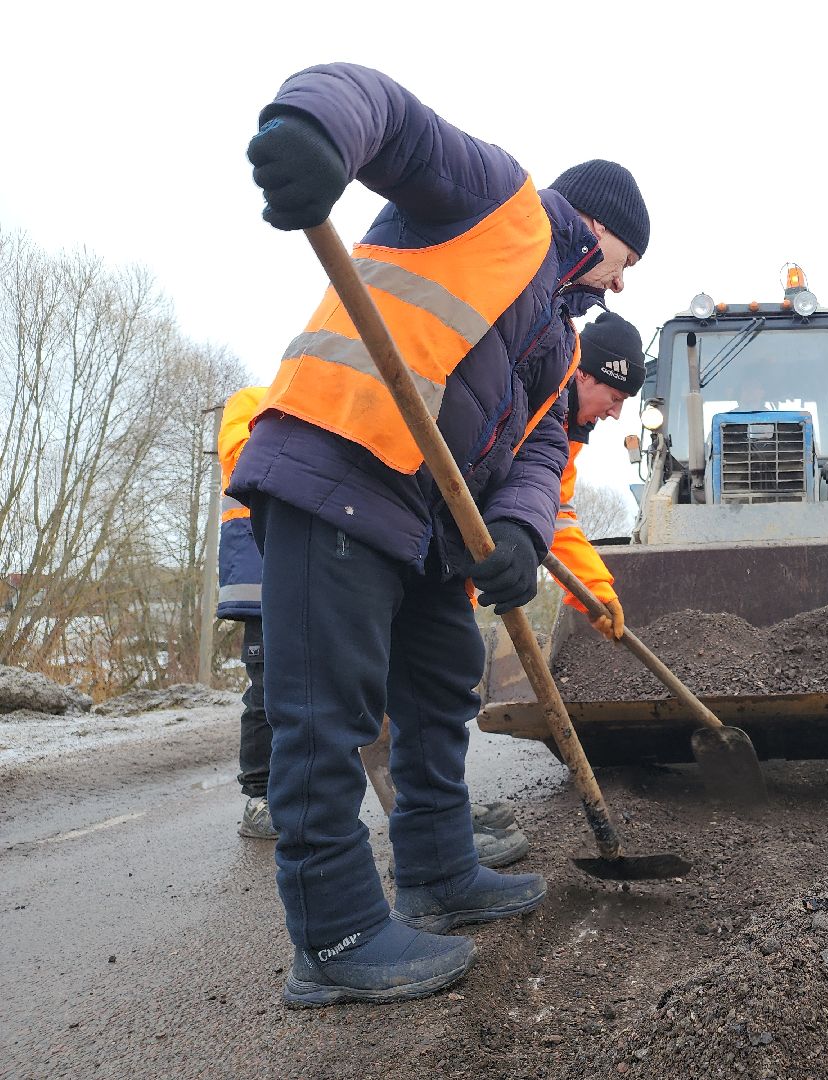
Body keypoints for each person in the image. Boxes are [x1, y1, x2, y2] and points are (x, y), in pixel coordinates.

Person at [234, 62, 649, 1007]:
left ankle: (438, 872)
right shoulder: (500, 205)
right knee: (325, 714)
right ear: (604, 226)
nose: (630, 277)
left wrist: (514, 532)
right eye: (633, 256)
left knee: (441, 688)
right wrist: (316, 130)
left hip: (422, 525)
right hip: (336, 461)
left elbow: (541, 455)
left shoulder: (556, 339)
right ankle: (334, 938)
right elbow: (386, 113)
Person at [220, 387, 536, 866]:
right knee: (282, 691)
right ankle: (263, 800)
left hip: (337, 548)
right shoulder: (266, 405)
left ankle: (429, 819)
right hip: (269, 566)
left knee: (381, 686)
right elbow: (252, 462)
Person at [553, 312, 648, 638]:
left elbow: (555, 514)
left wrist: (596, 588)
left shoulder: (567, 435)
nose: (615, 413)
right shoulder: (532, 407)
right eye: (615, 398)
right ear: (582, 375)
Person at [216, 387, 275, 841]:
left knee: (307, 693)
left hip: (298, 573)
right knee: (266, 693)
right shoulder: (251, 406)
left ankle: (294, 795)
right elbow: (244, 462)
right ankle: (259, 800)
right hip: (261, 586)